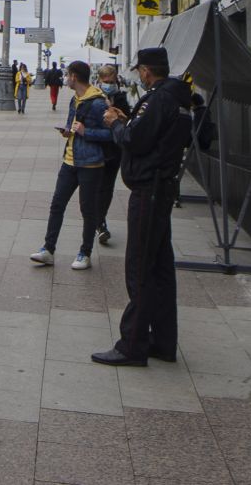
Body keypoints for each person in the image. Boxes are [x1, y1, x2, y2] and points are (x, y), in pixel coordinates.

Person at [91, 47, 192, 367]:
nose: (139, 75)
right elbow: (154, 133)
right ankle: (163, 341)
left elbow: (135, 141)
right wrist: (128, 120)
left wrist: (114, 124)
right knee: (160, 269)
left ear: (147, 71)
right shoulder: (178, 97)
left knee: (139, 268)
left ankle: (131, 345)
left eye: (140, 71)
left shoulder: (157, 98)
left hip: (149, 190)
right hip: (161, 187)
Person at [30, 60, 113, 271]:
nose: (66, 78)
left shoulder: (98, 102)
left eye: (68, 75)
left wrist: (86, 132)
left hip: (90, 164)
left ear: (74, 76)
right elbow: (73, 126)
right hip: (69, 161)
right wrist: (68, 131)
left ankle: (85, 253)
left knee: (88, 210)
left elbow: (111, 134)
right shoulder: (75, 99)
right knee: (57, 204)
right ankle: (48, 250)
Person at [93, 64, 132, 246]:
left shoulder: (121, 97)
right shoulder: (93, 97)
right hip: (97, 149)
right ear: (100, 81)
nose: (109, 84)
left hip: (115, 150)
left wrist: (118, 113)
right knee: (96, 187)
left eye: (111, 81)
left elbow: (127, 121)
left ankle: (100, 221)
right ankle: (98, 222)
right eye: (105, 81)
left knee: (107, 188)